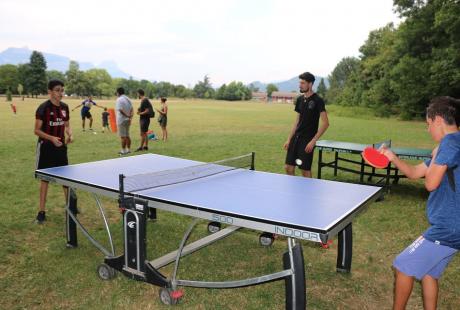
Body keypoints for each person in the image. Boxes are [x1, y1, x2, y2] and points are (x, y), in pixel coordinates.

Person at [379, 96, 460, 310]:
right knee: (428, 273)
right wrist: (392, 157)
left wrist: (436, 155)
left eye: (428, 124)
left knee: (402, 266)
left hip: (449, 227)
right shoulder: (453, 144)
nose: (427, 130)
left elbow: (431, 183)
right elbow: (416, 173)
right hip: (453, 226)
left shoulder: (450, 143)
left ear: (438, 121)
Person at [34, 79, 73, 223]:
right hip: (46, 148)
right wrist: (51, 138)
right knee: (45, 180)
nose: (60, 93)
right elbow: (36, 130)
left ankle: (71, 206)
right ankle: (41, 211)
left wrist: (70, 134)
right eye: (57, 90)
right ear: (49, 92)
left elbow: (67, 125)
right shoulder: (43, 108)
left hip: (61, 148)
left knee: (66, 179)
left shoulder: (65, 107)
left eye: (62, 90)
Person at [283, 72, 329, 177]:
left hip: (307, 140)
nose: (300, 85)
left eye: (303, 83)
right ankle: (293, 190)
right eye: (300, 83)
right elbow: (297, 121)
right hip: (296, 138)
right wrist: (289, 139)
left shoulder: (318, 100)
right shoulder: (299, 99)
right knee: (288, 168)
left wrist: (313, 141)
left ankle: (308, 192)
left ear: (310, 84)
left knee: (305, 170)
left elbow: (325, 123)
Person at [115, 87, 133, 155]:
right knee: (127, 135)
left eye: (116, 92)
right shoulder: (128, 98)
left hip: (121, 120)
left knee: (123, 136)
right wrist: (130, 116)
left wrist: (127, 115)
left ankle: (123, 150)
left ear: (118, 92)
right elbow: (132, 109)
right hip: (127, 120)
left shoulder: (119, 99)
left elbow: (120, 110)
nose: (116, 94)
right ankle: (128, 149)